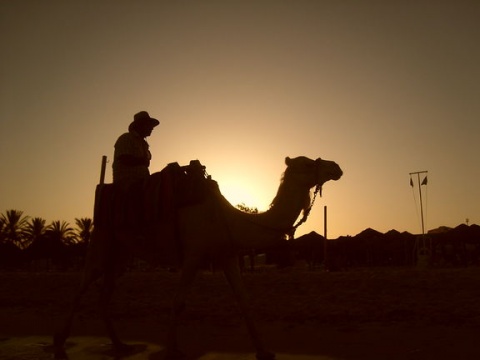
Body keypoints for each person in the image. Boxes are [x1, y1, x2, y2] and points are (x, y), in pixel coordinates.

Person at [112, 111, 160, 189]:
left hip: (142, 181)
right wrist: (142, 161)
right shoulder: (126, 138)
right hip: (127, 183)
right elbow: (124, 159)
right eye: (149, 125)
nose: (152, 128)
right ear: (141, 125)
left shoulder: (144, 144)